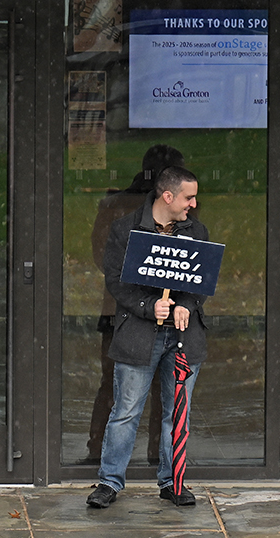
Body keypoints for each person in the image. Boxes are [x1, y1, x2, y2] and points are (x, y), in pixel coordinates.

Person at [88, 166, 209, 509]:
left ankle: (173, 482)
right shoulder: (125, 230)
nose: (194, 204)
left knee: (176, 412)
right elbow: (115, 279)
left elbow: (202, 279)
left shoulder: (196, 231)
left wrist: (185, 303)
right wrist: (147, 305)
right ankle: (109, 481)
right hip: (140, 333)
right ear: (167, 196)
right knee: (126, 410)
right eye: (188, 197)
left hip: (183, 336)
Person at [84, 144, 183, 464]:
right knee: (123, 389)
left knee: (137, 391)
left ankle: (116, 453)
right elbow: (105, 260)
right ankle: (109, 456)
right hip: (122, 311)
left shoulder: (181, 214)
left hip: (129, 309)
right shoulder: (119, 209)